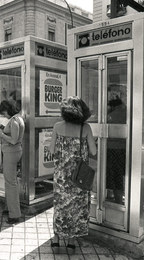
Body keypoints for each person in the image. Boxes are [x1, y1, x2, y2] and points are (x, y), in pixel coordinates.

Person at [49, 96, 96, 249]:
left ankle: (56, 239)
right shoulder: (86, 128)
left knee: (60, 205)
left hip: (61, 176)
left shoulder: (57, 126)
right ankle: (71, 242)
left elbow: (51, 150)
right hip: (79, 177)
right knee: (76, 207)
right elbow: (93, 151)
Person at [0, 100, 25, 224]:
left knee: (10, 182)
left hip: (11, 152)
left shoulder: (13, 121)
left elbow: (13, 140)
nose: (4, 116)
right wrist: (3, 129)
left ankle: (14, 214)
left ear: (7, 110)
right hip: (15, 152)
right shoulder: (19, 118)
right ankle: (9, 207)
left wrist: (1, 134)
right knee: (10, 182)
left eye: (3, 113)